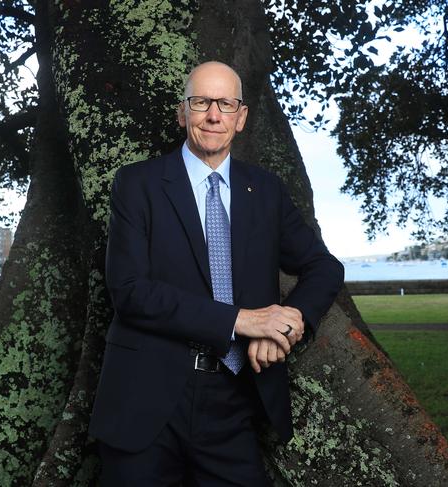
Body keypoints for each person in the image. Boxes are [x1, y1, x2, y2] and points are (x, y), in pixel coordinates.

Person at [89, 61, 344, 486]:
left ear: (240, 117)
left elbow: (324, 267)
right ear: (182, 112)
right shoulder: (137, 185)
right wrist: (243, 320)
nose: (213, 115)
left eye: (226, 104)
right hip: (146, 398)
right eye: (201, 102)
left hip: (234, 397)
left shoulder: (265, 190)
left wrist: (288, 321)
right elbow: (130, 292)